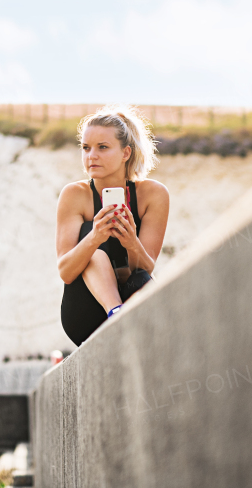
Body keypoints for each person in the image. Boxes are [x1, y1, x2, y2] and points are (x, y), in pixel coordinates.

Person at [57, 105, 170, 346]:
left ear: (126, 153)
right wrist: (95, 238)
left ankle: (122, 316)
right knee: (88, 232)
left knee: (140, 277)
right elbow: (66, 271)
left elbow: (145, 270)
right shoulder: (74, 195)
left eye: (103, 147)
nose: (91, 156)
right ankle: (115, 313)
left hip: (132, 299)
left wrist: (132, 243)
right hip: (85, 313)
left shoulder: (153, 194)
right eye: (85, 148)